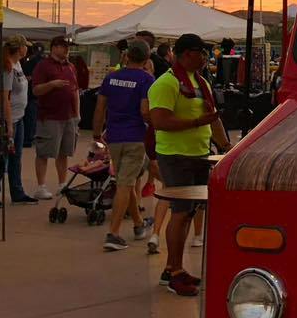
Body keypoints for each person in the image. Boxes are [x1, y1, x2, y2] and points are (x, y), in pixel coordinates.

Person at [148, 33, 229, 295]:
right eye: (200, 52)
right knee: (180, 212)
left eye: (206, 53)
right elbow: (159, 121)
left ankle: (175, 268)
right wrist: (196, 123)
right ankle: (173, 270)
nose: (205, 57)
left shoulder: (200, 82)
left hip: (198, 155)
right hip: (176, 156)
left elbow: (212, 119)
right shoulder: (167, 84)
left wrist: (227, 148)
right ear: (185, 54)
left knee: (189, 212)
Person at [94, 40, 153, 250]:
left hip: (114, 137)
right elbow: (145, 110)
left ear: (127, 56)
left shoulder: (111, 78)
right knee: (124, 184)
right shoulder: (146, 79)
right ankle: (114, 233)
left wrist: (96, 133)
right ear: (146, 59)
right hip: (135, 136)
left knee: (124, 181)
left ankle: (138, 224)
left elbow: (100, 107)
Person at [0, 39, 37, 207]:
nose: (27, 49)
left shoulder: (18, 65)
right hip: (7, 120)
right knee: (0, 158)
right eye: (25, 47)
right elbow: (4, 99)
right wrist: (8, 126)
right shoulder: (7, 68)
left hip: (18, 118)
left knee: (16, 158)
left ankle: (17, 192)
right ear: (18, 48)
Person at [30, 36, 80, 198]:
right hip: (50, 116)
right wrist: (52, 84)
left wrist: (77, 114)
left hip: (69, 116)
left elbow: (75, 91)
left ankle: (62, 183)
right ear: (54, 47)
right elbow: (36, 90)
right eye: (64, 47)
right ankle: (41, 186)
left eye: (68, 47)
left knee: (64, 152)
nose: (67, 50)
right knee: (44, 151)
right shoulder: (43, 66)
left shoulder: (71, 66)